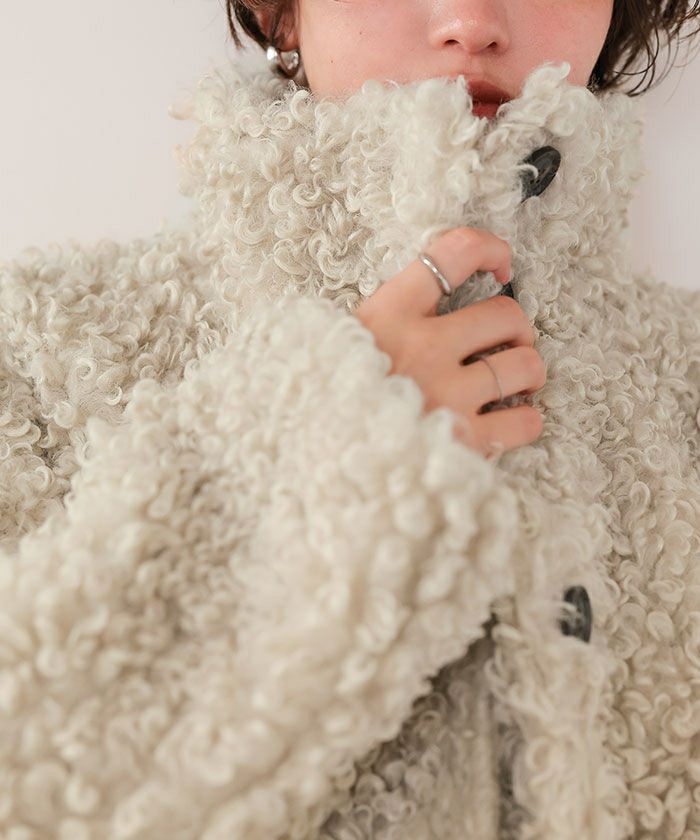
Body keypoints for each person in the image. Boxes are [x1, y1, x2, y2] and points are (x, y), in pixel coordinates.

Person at [1, 1, 700, 838]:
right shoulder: (38, 355)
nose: (471, 20)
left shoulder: (688, 381)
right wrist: (340, 441)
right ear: (281, 13)